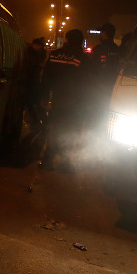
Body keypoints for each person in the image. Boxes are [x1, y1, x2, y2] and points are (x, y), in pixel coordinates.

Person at [40, 29, 88, 170]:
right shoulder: (81, 57)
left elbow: (46, 76)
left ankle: (48, 161)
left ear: (67, 39)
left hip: (58, 99)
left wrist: (44, 96)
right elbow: (86, 81)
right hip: (75, 102)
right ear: (80, 41)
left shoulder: (55, 54)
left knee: (54, 128)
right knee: (71, 130)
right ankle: (65, 164)